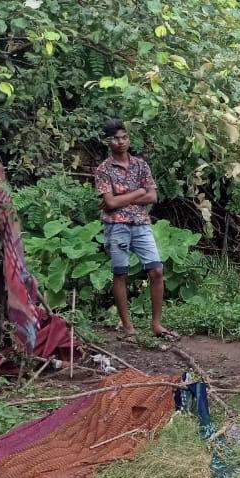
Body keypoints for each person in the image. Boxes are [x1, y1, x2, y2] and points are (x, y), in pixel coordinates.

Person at [93, 120, 177, 340]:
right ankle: (128, 327)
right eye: (115, 138)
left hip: (141, 223)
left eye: (124, 137)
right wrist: (138, 192)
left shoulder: (141, 165)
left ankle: (156, 324)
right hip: (116, 225)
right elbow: (110, 203)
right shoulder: (103, 170)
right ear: (108, 141)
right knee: (120, 273)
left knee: (156, 270)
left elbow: (152, 196)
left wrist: (122, 199)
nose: (121, 142)